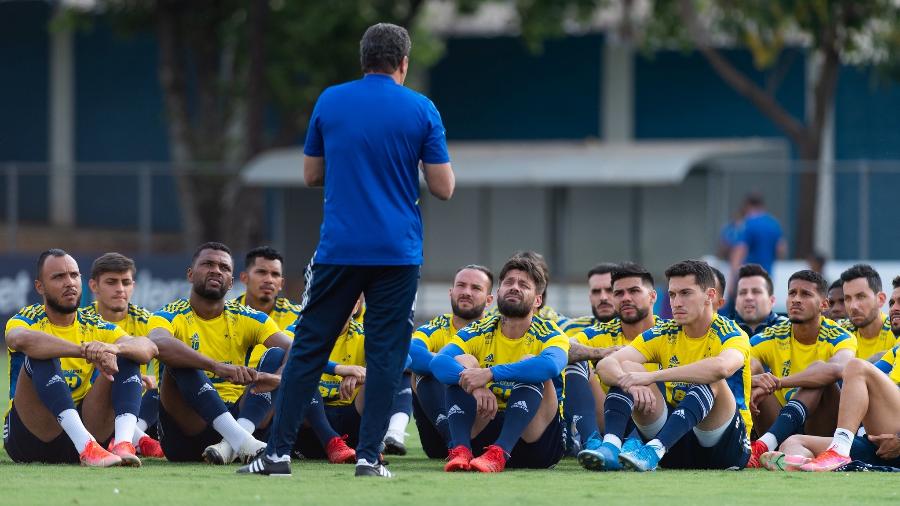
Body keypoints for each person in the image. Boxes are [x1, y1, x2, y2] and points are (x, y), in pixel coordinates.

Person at [239, 22, 454, 478]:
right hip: (397, 252)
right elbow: (443, 187)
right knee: (385, 356)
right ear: (403, 63)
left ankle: (276, 454)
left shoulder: (330, 100)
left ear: (363, 61)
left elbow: (311, 175)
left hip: (339, 248)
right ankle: (369, 458)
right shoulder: (422, 108)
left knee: (308, 349)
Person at [591, 260, 752, 472]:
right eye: (673, 294)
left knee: (712, 379)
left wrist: (653, 376)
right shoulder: (664, 332)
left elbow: (721, 368)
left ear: (710, 296)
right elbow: (606, 365)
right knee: (629, 368)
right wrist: (630, 382)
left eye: (686, 293)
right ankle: (611, 446)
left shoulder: (731, 332)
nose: (676, 302)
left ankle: (654, 449)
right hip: (674, 444)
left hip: (725, 447)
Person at [4, 249, 157, 467]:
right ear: (40, 287)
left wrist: (114, 349)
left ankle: (124, 445)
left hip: (90, 431)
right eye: (58, 277)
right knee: (40, 353)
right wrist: (84, 350)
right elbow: (19, 340)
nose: (70, 283)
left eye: (74, 275)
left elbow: (148, 347)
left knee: (125, 354)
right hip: (32, 438)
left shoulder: (93, 323)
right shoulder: (27, 318)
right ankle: (87, 446)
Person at [148, 242, 292, 464]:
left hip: (241, 417)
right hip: (189, 431)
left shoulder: (248, 317)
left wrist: (278, 377)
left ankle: (234, 442)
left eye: (224, 268)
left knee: (275, 356)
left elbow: (296, 348)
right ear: (190, 274)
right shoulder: (168, 314)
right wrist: (215, 366)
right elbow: (158, 342)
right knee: (179, 359)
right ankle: (241, 441)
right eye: (207, 264)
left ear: (232, 282)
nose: (216, 270)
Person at [431, 254, 569, 472]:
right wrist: (476, 386)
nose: (514, 287)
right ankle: (461, 450)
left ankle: (500, 452)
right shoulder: (479, 330)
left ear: (537, 300)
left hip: (537, 441)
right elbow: (439, 363)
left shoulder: (551, 333)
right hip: (486, 428)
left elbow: (550, 367)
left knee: (531, 364)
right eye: (508, 283)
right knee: (462, 362)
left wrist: (490, 374)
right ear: (497, 294)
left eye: (523, 284)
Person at [745, 270, 856, 468]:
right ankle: (773, 449)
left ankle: (764, 445)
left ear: (824, 304)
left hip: (821, 427)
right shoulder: (771, 335)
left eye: (805, 294)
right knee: (753, 375)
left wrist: (779, 382)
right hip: (778, 423)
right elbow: (742, 364)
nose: (796, 300)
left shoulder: (840, 335)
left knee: (822, 373)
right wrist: (754, 380)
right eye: (792, 293)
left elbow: (839, 368)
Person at [566, 262, 660, 457]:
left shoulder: (669, 332)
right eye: (619, 293)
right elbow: (560, 350)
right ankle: (592, 442)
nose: (625, 298)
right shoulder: (600, 333)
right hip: (609, 417)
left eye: (634, 291)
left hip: (654, 417)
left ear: (652, 296)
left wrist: (634, 379)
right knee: (575, 361)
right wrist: (600, 353)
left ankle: (634, 443)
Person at [761, 343, 900, 472]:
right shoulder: (896, 351)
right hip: (872, 444)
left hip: (894, 438)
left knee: (857, 366)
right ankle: (806, 465)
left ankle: (838, 451)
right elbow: (858, 377)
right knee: (793, 442)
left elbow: (859, 372)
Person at [83, 252, 165, 458]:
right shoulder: (81, 321)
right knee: (124, 361)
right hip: (94, 406)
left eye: (126, 282)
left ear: (133, 286)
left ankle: (126, 438)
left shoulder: (150, 321)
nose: (120, 289)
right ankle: (140, 440)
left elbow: (166, 362)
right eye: (111, 282)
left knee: (165, 385)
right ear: (94, 286)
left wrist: (152, 379)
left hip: (139, 407)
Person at [408, 264, 494, 458]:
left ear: (489, 300)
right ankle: (454, 442)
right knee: (421, 371)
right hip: (439, 436)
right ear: (451, 292)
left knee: (465, 361)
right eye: (461, 286)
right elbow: (411, 353)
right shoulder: (436, 327)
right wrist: (455, 370)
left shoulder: (497, 328)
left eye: (476, 288)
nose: (466, 292)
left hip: (485, 422)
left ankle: (461, 446)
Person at [232, 246, 302, 369]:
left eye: (275, 274)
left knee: (276, 355)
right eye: (261, 272)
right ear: (244, 278)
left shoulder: (299, 316)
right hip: (232, 383)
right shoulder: (226, 314)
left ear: (281, 283)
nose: (269, 280)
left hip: (276, 383)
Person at [839, 264, 899, 361]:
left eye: (861, 296)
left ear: (880, 299)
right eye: (848, 298)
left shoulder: (896, 330)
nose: (853, 306)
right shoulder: (839, 331)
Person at [729, 192, 786, 281]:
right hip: (767, 275)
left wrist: (733, 278)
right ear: (762, 205)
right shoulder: (774, 224)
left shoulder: (747, 224)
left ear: (747, 205)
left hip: (748, 275)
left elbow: (740, 250)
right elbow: (781, 250)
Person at [561, 263, 619, 336]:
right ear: (590, 296)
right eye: (596, 291)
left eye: (610, 290)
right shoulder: (572, 329)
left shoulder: (636, 331)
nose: (603, 297)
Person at [732, 263, 787, 336]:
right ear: (736, 302)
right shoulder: (720, 331)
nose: (748, 297)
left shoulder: (789, 331)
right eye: (743, 292)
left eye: (756, 292)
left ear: (772, 301)